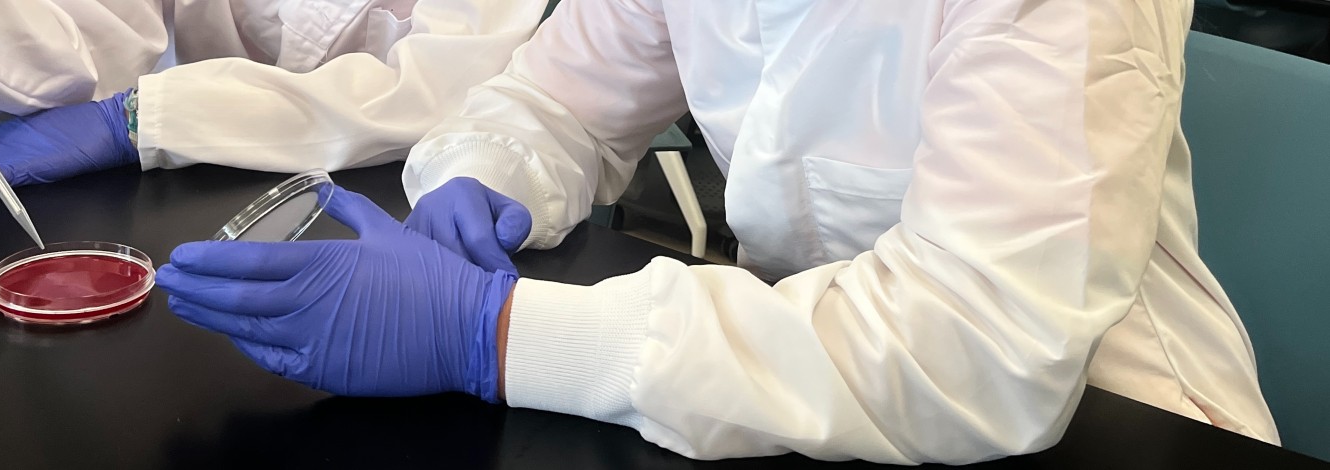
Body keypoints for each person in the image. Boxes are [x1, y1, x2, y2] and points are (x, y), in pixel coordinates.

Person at [155, 0, 1283, 464]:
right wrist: (484, 177)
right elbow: (549, 99)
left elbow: (981, 338)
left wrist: (497, 332)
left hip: (1101, 413)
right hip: (781, 391)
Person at [0, 0, 546, 197]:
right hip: (186, 197)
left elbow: (442, 91)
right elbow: (103, 26)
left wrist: (142, 120)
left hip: (396, 213)